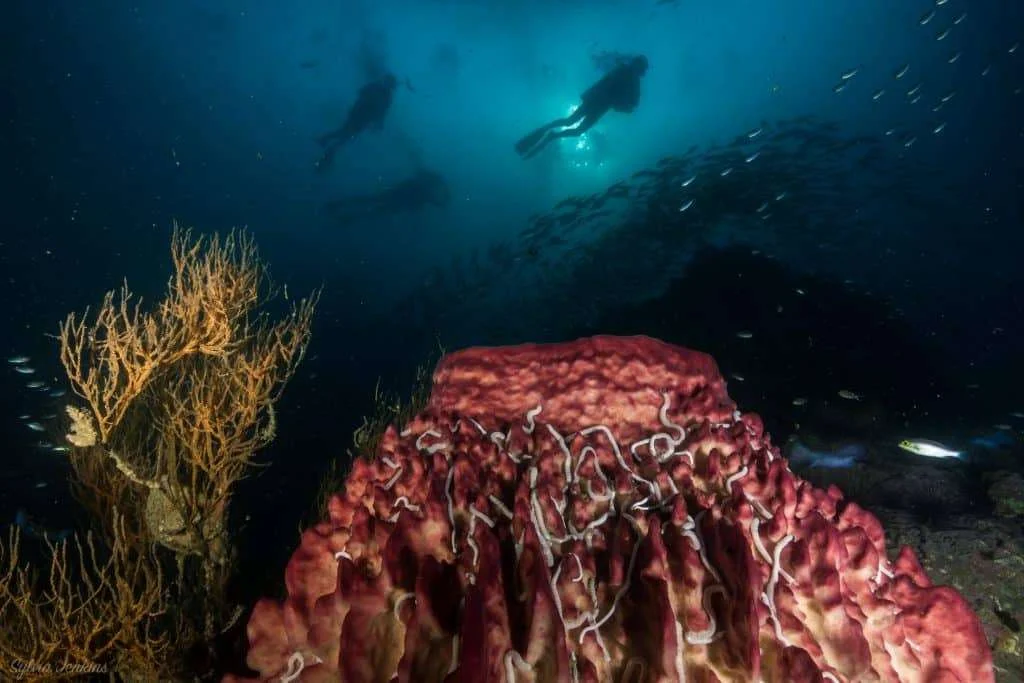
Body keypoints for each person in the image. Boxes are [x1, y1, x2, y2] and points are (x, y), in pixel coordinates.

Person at [515, 55, 649, 160]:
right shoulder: (624, 72)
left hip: (600, 104)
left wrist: (623, 104)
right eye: (641, 67)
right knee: (571, 122)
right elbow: (619, 93)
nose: (640, 70)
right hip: (596, 102)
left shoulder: (629, 76)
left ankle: (552, 134)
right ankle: (549, 132)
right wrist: (622, 104)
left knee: (575, 127)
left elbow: (631, 102)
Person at [316, 73, 398, 171]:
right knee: (346, 133)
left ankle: (327, 143)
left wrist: (379, 123)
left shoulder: (387, 96)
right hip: (357, 114)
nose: (389, 85)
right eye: (389, 82)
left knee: (347, 134)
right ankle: (328, 145)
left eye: (390, 83)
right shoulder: (376, 88)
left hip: (364, 119)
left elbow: (383, 112)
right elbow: (361, 93)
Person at [325, 169, 451, 222]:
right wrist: (443, 201)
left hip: (397, 195)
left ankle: (342, 209)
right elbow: (433, 202)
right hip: (400, 200)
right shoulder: (427, 188)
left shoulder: (424, 183)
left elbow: (430, 200)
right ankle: (346, 213)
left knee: (372, 202)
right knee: (375, 208)